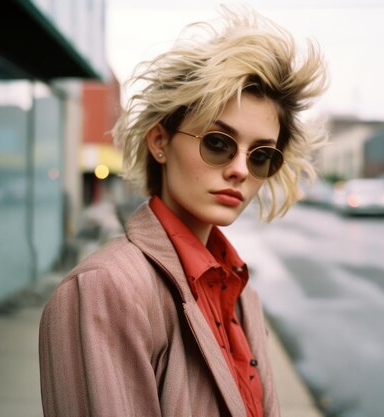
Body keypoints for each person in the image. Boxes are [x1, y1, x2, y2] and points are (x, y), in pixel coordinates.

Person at [39, 6, 327, 417]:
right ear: (160, 142)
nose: (241, 170)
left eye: (261, 155)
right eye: (217, 143)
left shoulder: (243, 297)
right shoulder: (105, 291)